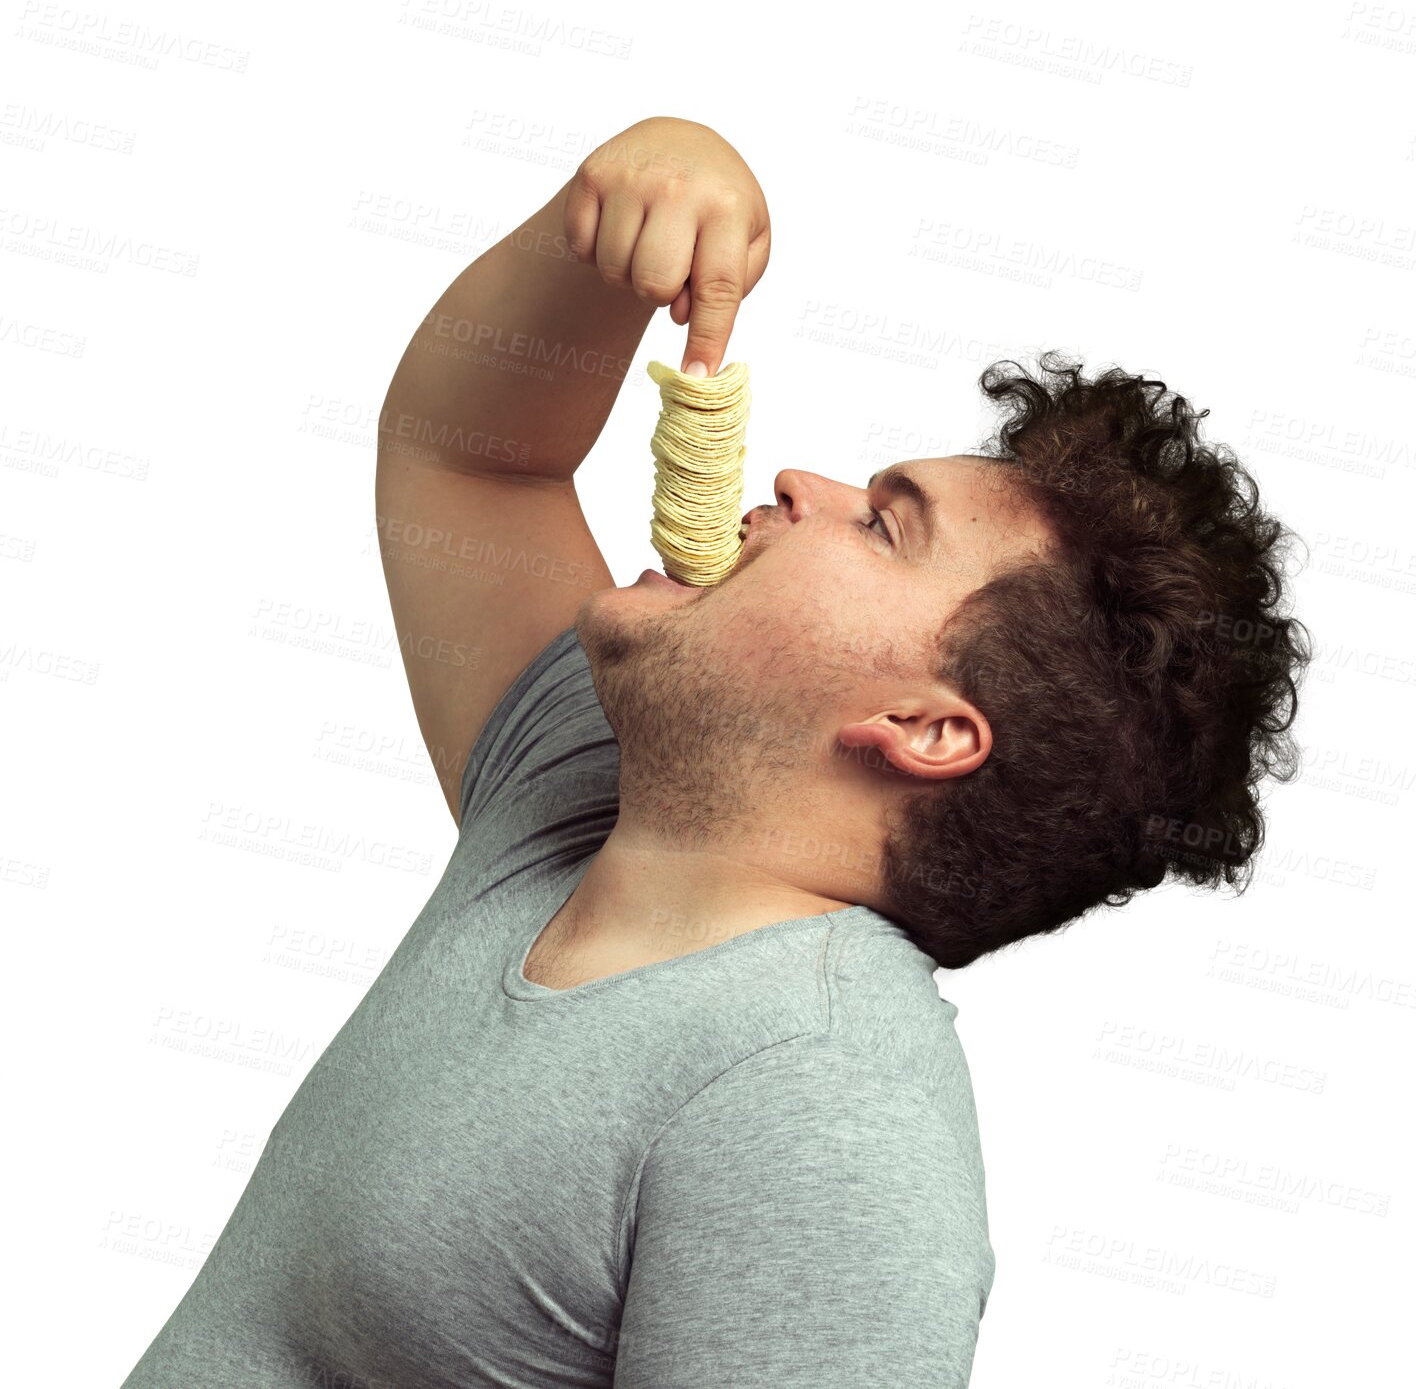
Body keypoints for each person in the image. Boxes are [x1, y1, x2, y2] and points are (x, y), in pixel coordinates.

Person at [118, 116, 1309, 1389]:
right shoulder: (576, 808)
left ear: (926, 729)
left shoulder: (818, 1110)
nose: (800, 480)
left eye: (884, 528)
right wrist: (621, 215)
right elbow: (477, 461)